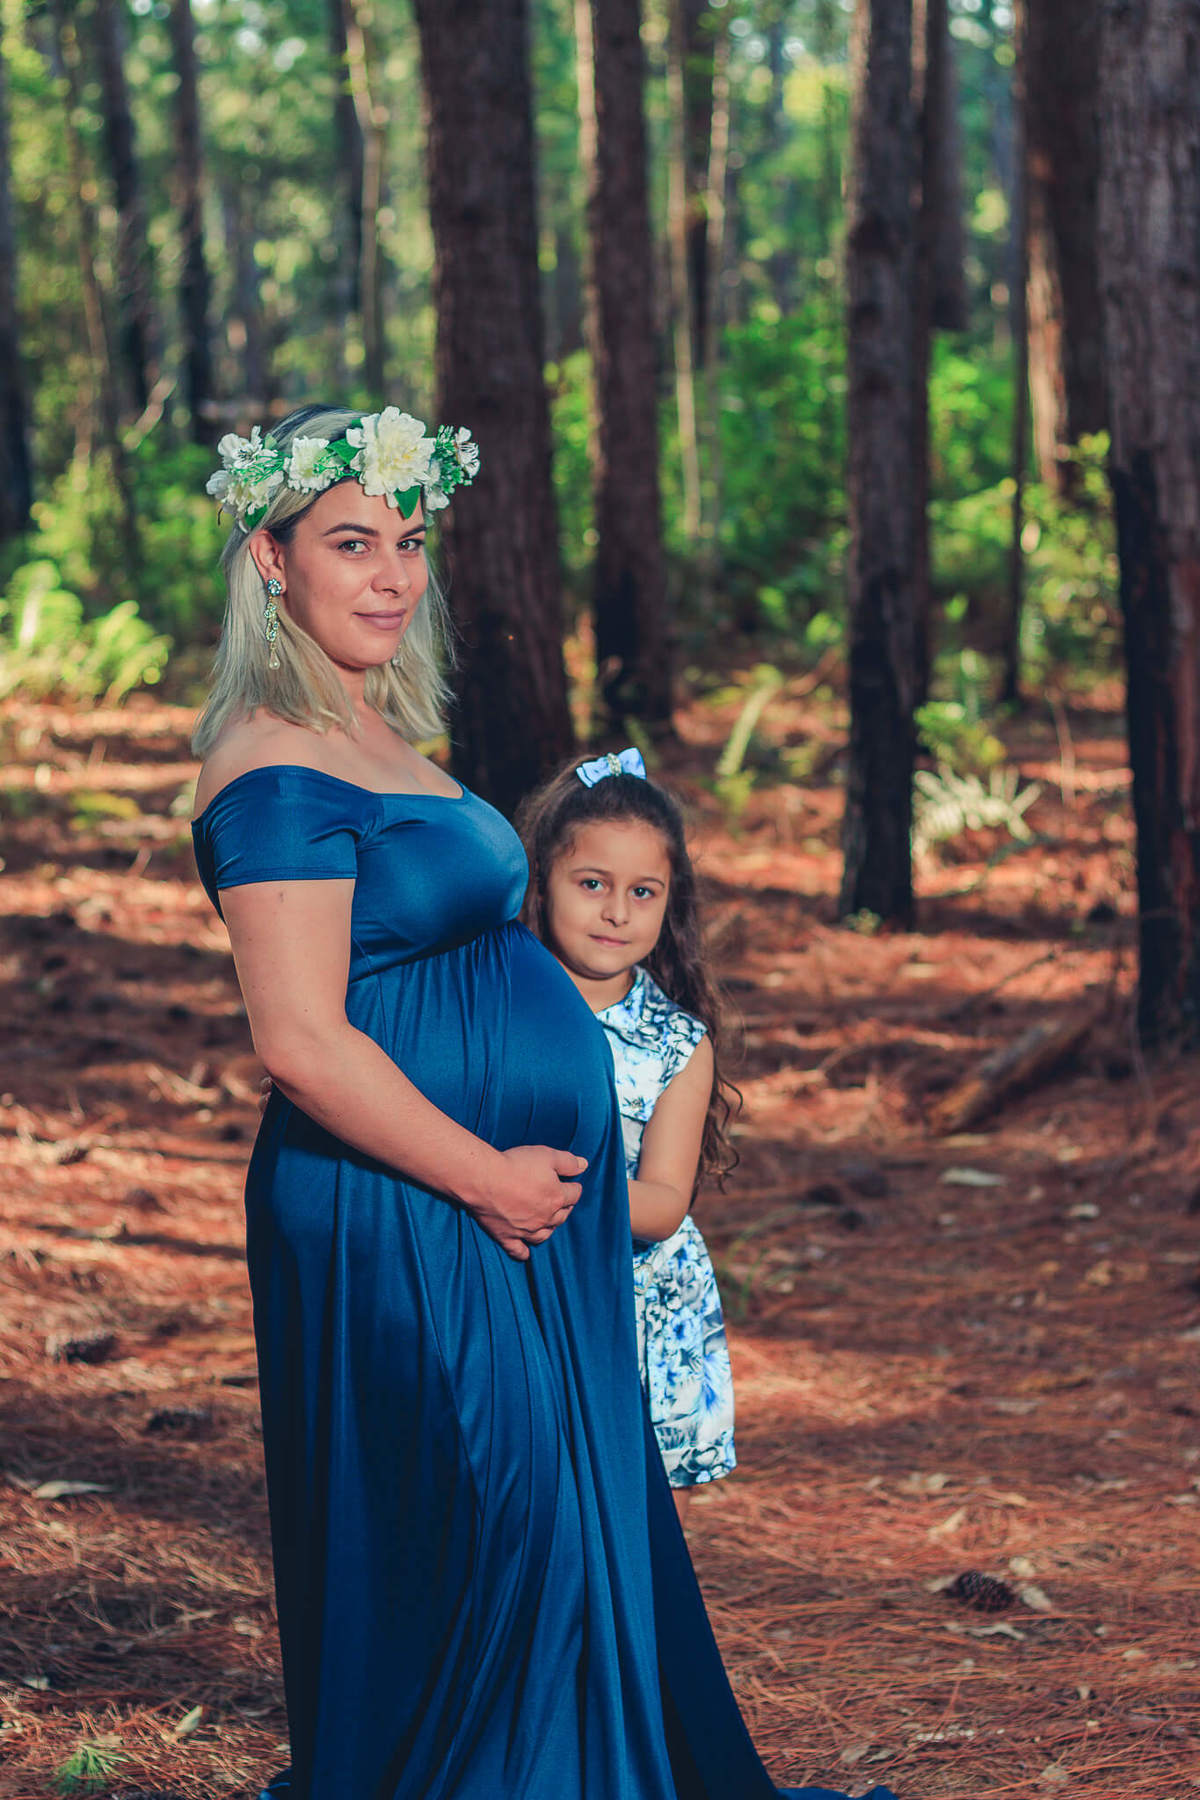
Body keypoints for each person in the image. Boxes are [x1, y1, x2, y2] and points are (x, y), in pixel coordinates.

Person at [190, 400, 901, 1800]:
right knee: (499, 1532)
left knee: (561, 1530)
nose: (393, 574)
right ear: (272, 562)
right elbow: (301, 1041)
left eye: (409, 542)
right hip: (405, 1208)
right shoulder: (270, 761)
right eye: (351, 544)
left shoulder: (381, 733)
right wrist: (487, 1175)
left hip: (508, 1214)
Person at [518, 749, 737, 1524]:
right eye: (592, 885)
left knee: (614, 1511)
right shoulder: (494, 998)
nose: (617, 912)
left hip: (626, 1296)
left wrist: (549, 1189)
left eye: (642, 892)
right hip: (507, 1277)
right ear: (541, 878)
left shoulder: (677, 1044)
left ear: (669, 904)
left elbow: (666, 1204)